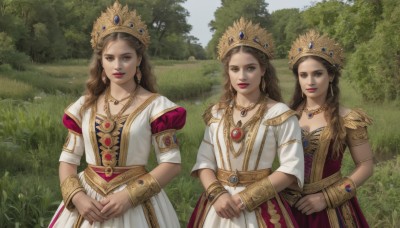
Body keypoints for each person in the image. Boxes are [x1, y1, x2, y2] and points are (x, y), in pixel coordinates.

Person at [48, 1, 185, 227]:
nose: (118, 65)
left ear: (139, 59)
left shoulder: (158, 107)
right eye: (110, 58)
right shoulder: (83, 106)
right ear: (101, 61)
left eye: (126, 57)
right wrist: (78, 198)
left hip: (136, 206)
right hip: (87, 205)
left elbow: (171, 163)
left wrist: (128, 197)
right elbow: (68, 161)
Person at [187, 17, 304, 228]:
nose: (242, 76)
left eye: (250, 68)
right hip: (217, 208)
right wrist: (217, 194)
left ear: (263, 70)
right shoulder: (217, 113)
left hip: (262, 208)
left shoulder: (280, 114)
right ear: (228, 72)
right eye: (234, 69)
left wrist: (244, 199)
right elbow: (204, 162)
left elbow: (290, 169)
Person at [285, 30, 373, 227]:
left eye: (317, 74)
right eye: (303, 75)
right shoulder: (285, 115)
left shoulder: (349, 119)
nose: (310, 81)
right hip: (288, 207)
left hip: (330, 210)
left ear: (331, 75)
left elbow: (366, 165)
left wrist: (326, 198)